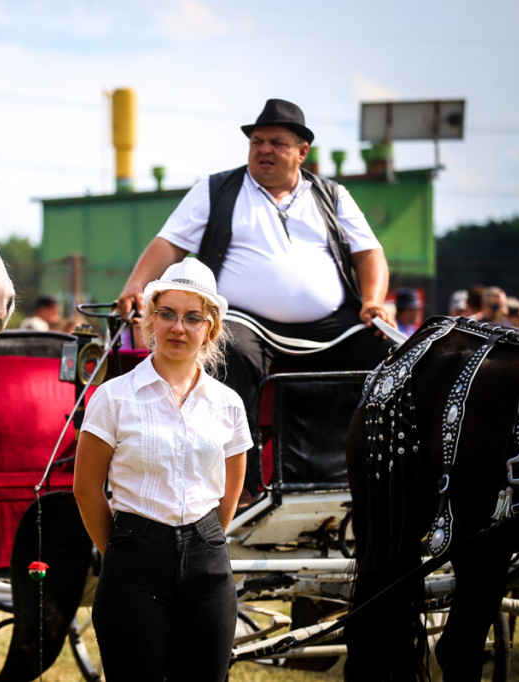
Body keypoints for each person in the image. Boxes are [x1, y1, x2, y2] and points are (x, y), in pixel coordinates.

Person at [116, 98, 394, 497]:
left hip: (333, 327)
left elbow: (369, 252)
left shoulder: (333, 196)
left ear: (302, 152)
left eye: (277, 142)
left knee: (379, 347)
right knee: (228, 348)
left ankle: (370, 480)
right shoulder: (216, 190)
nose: (264, 149)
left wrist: (372, 300)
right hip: (246, 322)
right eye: (257, 141)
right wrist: (136, 287)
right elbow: (169, 245)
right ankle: (241, 488)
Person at [74, 257, 250, 682]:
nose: (178, 328)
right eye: (167, 314)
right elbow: (86, 489)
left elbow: (230, 491)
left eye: (193, 318)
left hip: (208, 569)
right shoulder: (113, 398)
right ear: (149, 319)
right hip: (134, 565)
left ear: (210, 329)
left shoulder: (228, 404)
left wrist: (205, 541)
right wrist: (122, 548)